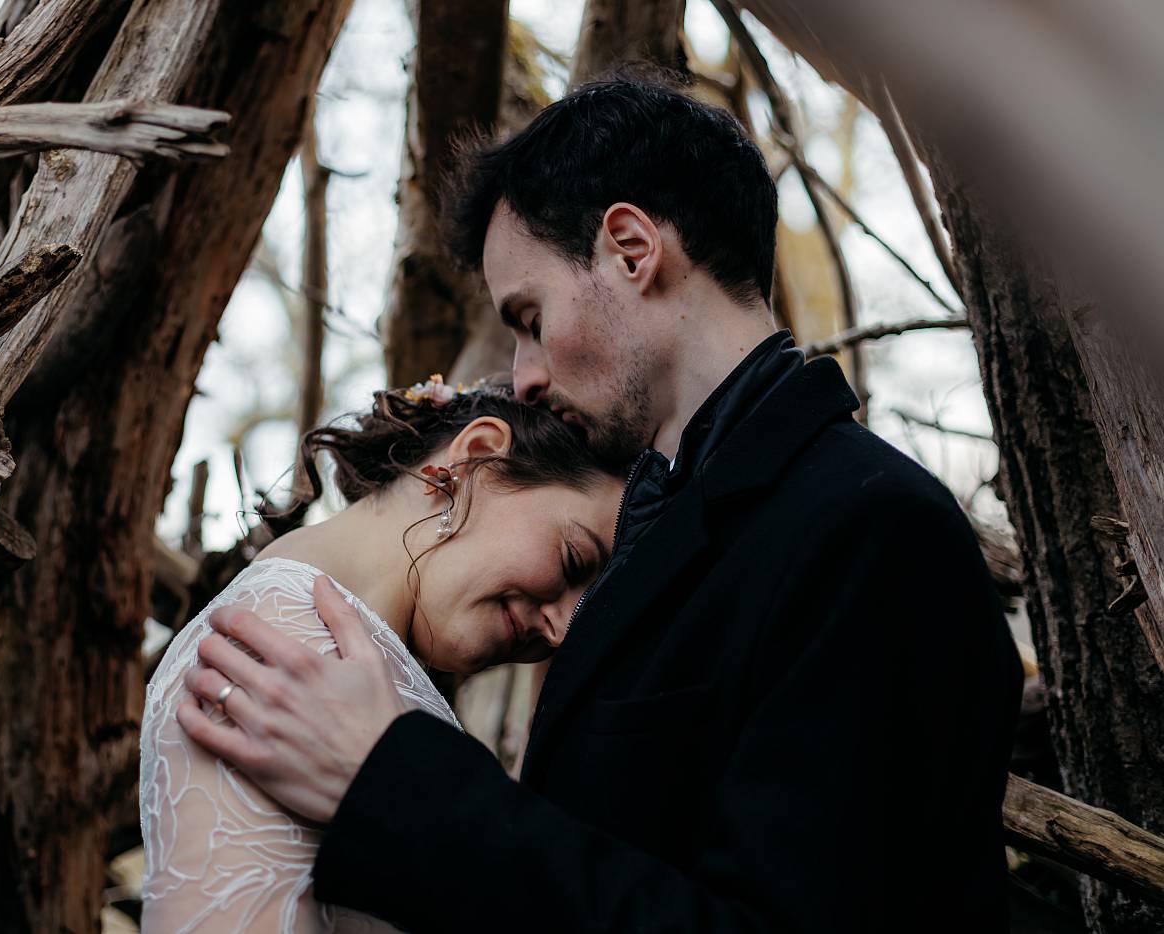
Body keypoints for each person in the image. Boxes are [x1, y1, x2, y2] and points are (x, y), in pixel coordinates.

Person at [178, 71, 1024, 932]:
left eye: (530, 318)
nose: (522, 378)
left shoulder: (873, 528)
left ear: (630, 248)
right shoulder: (671, 521)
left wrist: (398, 783)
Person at [139, 380, 627, 931]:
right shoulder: (282, 643)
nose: (562, 631)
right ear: (476, 458)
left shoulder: (349, 666)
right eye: (572, 560)